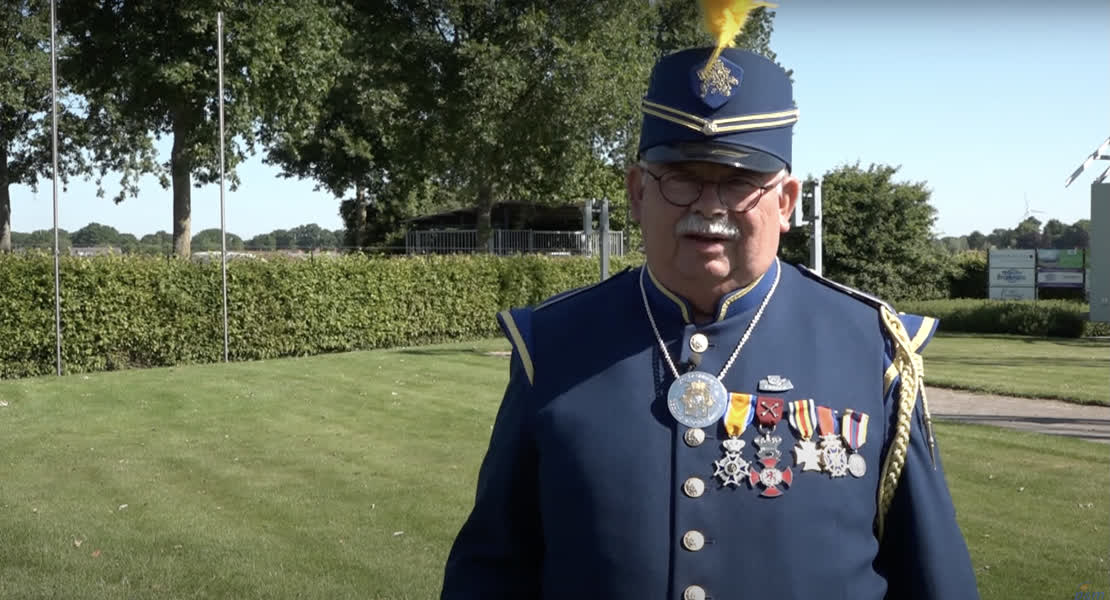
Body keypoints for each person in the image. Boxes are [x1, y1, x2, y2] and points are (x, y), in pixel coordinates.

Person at [440, 8, 980, 600]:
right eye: (681, 178)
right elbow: (492, 571)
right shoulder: (552, 343)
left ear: (786, 201)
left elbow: (932, 575)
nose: (710, 205)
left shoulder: (871, 347)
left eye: (739, 182)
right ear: (637, 192)